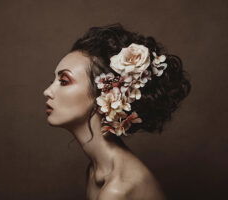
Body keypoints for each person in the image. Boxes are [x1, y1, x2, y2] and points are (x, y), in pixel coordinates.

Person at [43, 23, 191, 200]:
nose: (47, 91)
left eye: (64, 81)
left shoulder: (118, 189)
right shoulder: (96, 170)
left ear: (105, 93)